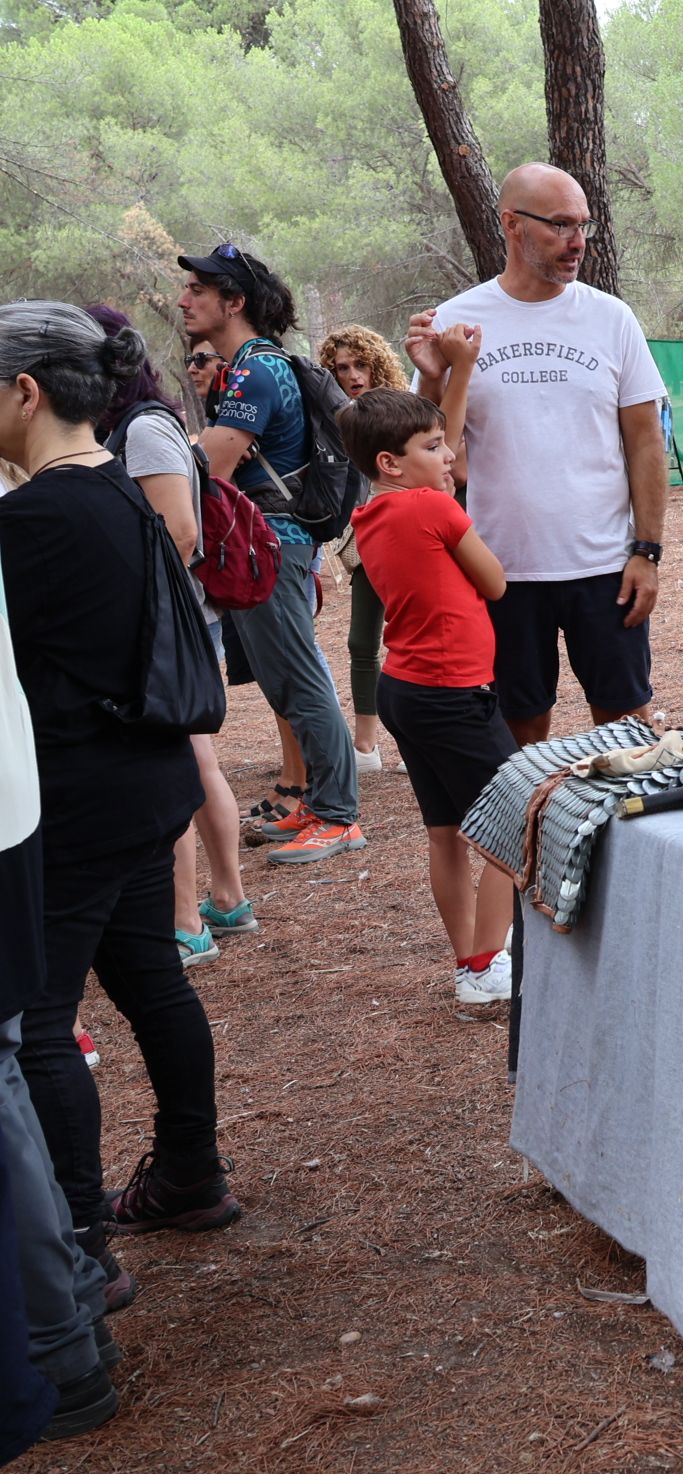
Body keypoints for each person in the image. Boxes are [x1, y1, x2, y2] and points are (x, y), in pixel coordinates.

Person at [0, 302, 241, 1256]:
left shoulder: (30, 519)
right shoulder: (125, 490)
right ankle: (190, 1174)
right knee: (150, 979)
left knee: (43, 1022)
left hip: (77, 799)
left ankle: (80, 1251)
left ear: (25, 391)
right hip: (149, 782)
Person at [407, 164, 669, 747]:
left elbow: (646, 440)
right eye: (559, 226)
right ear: (512, 226)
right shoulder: (456, 322)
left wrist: (647, 550)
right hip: (501, 572)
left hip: (605, 567)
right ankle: (531, 841)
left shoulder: (611, 318)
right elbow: (430, 462)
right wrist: (431, 382)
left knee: (627, 731)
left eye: (583, 226)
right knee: (521, 737)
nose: (577, 241)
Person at [0, 459, 124, 1452]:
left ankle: (61, 1333)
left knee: (20, 1050)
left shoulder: (47, 503)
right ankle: (69, 1301)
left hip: (28, 805)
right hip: (29, 801)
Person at [178, 242, 366, 864]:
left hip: (271, 549)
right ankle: (319, 803)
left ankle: (339, 816)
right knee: (288, 680)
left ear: (235, 303)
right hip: (268, 548)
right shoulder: (248, 368)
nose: (184, 301)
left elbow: (214, 466)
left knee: (300, 679)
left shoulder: (256, 371)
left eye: (199, 292)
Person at [84, 306, 256, 971]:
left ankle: (187, 922)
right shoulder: (126, 428)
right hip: (170, 625)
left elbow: (179, 535)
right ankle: (227, 900)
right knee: (194, 762)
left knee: (179, 768)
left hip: (167, 627)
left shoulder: (145, 429)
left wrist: (129, 613)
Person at [336, 385, 518, 1009]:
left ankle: (471, 959)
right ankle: (490, 963)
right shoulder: (433, 510)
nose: (448, 457)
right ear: (390, 462)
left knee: (446, 831)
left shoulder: (371, 514)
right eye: (433, 446)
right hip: (452, 693)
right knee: (511, 825)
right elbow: (494, 582)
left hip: (404, 689)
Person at [320, 325, 412, 773]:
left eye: (361, 364)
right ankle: (366, 746)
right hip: (362, 537)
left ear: (378, 363)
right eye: (341, 368)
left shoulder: (406, 411)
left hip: (410, 534)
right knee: (362, 641)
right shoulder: (335, 422)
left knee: (413, 635)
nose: (353, 375)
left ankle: (418, 738)